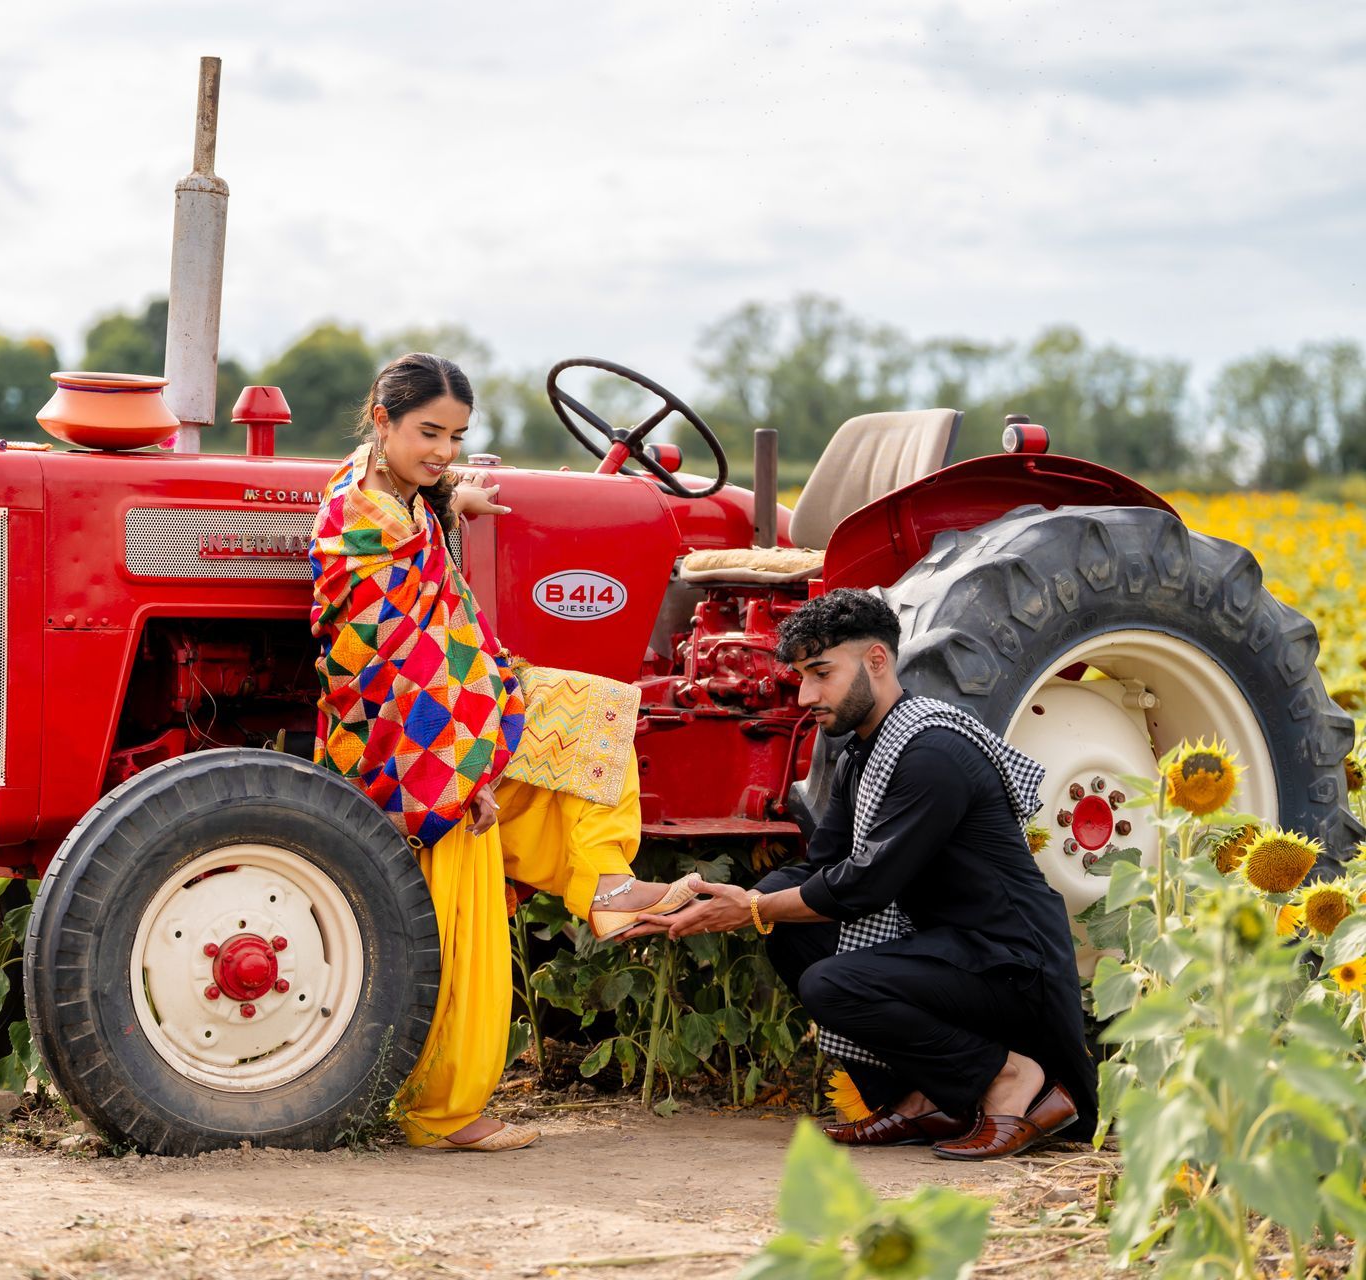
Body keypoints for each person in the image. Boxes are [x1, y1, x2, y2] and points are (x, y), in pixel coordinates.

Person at [308, 352, 694, 1153]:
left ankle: (607, 881)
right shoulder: (369, 523)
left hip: (447, 714)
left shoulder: (390, 490)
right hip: (408, 737)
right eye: (428, 433)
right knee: (461, 919)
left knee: (595, 710)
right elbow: (399, 655)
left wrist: (455, 492)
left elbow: (431, 604)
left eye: (455, 436)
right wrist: (472, 766)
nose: (443, 450)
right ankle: (443, 1111)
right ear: (381, 420)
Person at [626, 588, 1098, 1160]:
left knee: (831, 981)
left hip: (1011, 964)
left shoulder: (933, 752)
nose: (806, 696)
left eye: (821, 674)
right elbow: (822, 867)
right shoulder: (866, 752)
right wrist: (704, 901)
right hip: (951, 950)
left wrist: (748, 909)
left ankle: (1011, 1077)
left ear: (876, 660)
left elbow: (864, 885)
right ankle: (924, 1098)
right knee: (787, 920)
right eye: (801, 677)